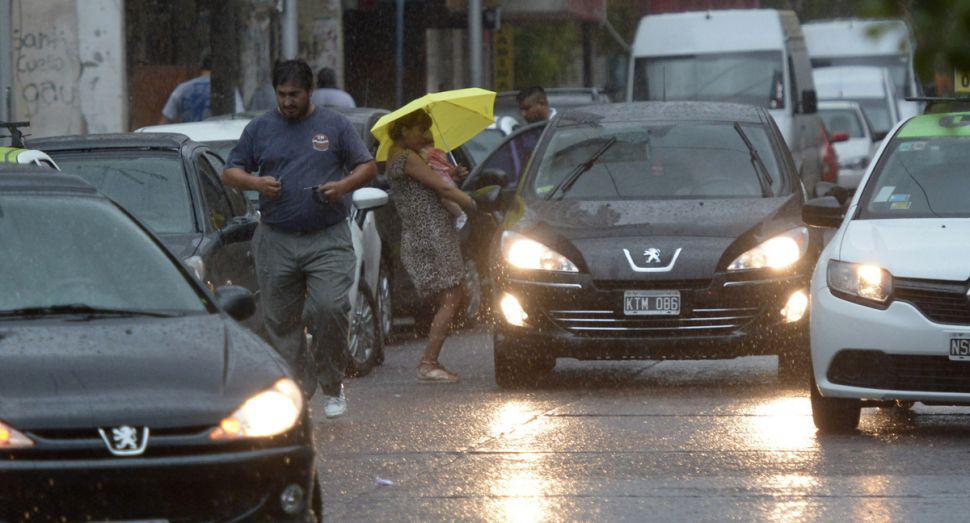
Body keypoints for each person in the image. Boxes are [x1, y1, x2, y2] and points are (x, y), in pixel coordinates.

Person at [221, 60, 377, 418]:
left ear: (310, 92)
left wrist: (342, 186)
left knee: (330, 308)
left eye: (295, 95)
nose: (288, 101)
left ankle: (332, 382)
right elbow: (230, 171)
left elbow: (368, 167)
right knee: (280, 321)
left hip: (328, 237)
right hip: (276, 237)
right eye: (282, 94)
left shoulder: (335, 125)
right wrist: (257, 183)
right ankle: (299, 384)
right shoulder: (260, 128)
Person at [385, 109, 476, 382]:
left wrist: (451, 174)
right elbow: (444, 190)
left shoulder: (407, 156)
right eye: (419, 130)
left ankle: (431, 359)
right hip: (430, 235)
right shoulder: (405, 158)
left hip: (430, 233)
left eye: (427, 130)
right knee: (453, 294)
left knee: (452, 294)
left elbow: (436, 184)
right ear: (402, 131)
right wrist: (471, 202)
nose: (426, 136)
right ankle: (429, 362)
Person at [159, 54, 243, 124]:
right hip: (217, 140)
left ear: (201, 66)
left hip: (188, 140)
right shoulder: (228, 90)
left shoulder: (182, 89)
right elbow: (240, 118)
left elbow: (164, 121)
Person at [418, 141, 468, 227]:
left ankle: (460, 215)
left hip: (445, 187)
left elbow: (445, 171)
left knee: (446, 199)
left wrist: (455, 173)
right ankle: (460, 215)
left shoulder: (434, 159)